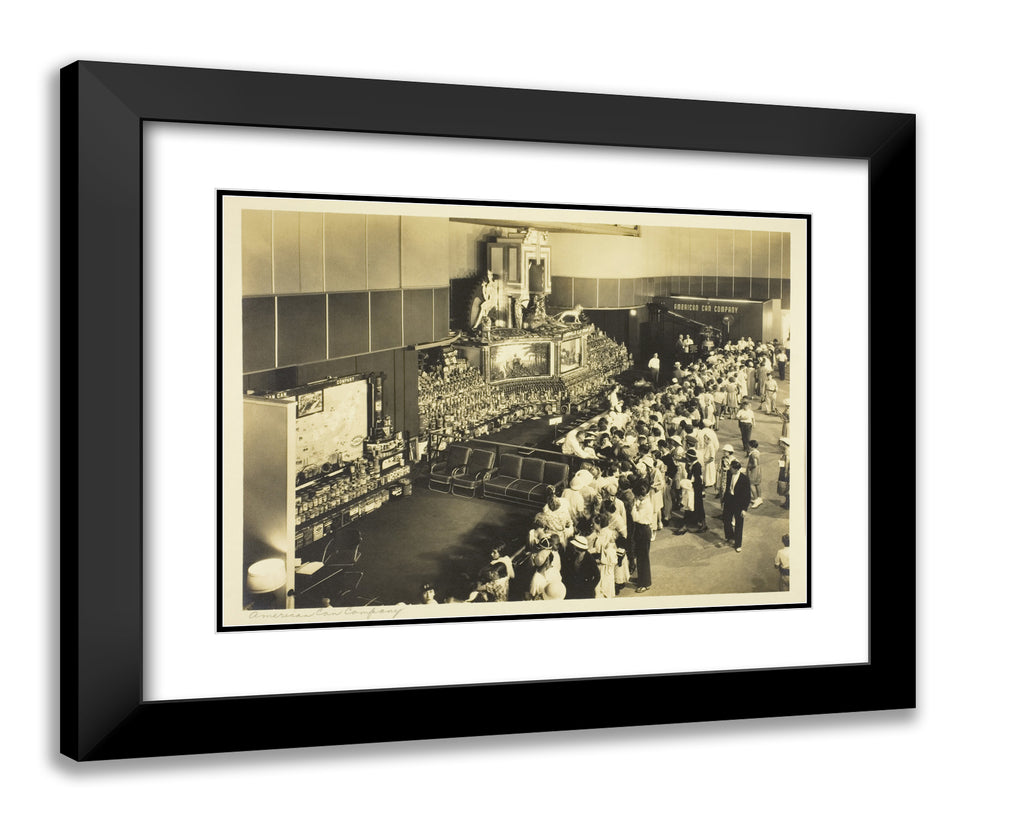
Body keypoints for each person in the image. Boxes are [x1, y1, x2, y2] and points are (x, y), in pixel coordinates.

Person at [720, 459, 752, 552]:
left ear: (736, 469)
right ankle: (729, 537)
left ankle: (738, 544)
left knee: (739, 524)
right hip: (729, 500)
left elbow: (747, 495)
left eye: (731, 468)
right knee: (726, 519)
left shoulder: (744, 479)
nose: (730, 469)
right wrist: (724, 500)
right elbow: (727, 488)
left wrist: (744, 509)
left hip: (739, 503)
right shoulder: (729, 474)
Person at [631, 479, 655, 592]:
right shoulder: (643, 501)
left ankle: (645, 583)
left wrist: (633, 507)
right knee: (640, 556)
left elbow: (635, 517)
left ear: (641, 495)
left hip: (643, 530)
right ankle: (641, 578)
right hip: (640, 530)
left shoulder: (646, 505)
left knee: (643, 557)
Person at [747, 439, 763, 509]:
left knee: (751, 484)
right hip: (758, 470)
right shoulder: (757, 452)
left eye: (749, 446)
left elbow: (755, 464)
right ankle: (759, 498)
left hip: (754, 470)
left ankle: (756, 500)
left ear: (751, 446)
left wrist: (749, 466)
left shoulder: (753, 454)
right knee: (757, 484)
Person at [778, 436, 791, 510]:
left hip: (785, 471)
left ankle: (788, 503)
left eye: (782, 443)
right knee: (785, 487)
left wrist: (785, 472)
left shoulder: (787, 451)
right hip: (784, 470)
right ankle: (787, 502)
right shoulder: (785, 450)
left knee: (785, 487)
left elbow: (787, 462)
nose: (780, 444)